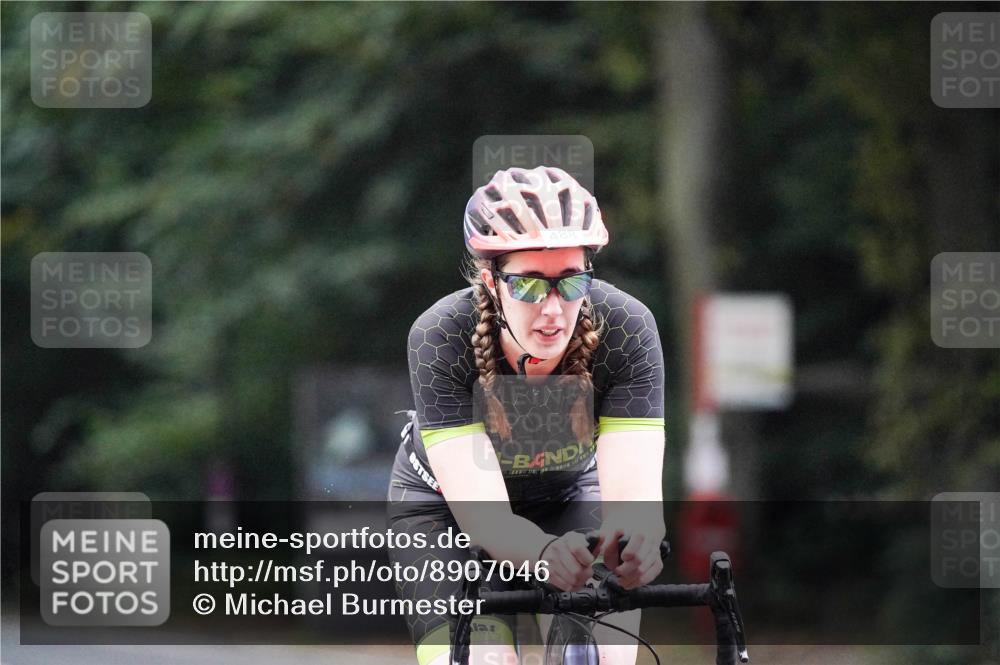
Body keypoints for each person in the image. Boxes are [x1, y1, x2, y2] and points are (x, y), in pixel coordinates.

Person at [387, 166, 666, 665]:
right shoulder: (439, 336)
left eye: (572, 282)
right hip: (446, 513)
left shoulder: (627, 329)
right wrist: (539, 554)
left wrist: (637, 544)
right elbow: (484, 519)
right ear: (491, 283)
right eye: (530, 287)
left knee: (599, 659)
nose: (554, 309)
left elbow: (633, 503)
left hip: (567, 497)